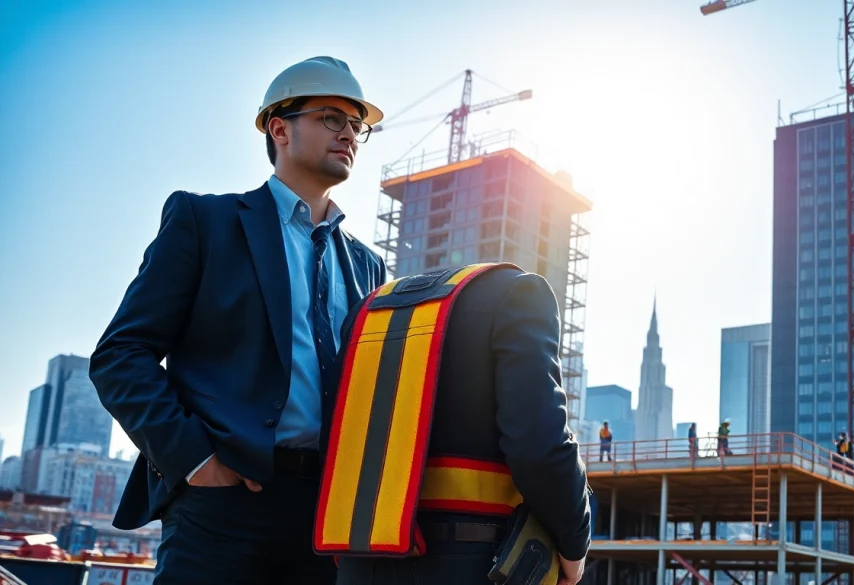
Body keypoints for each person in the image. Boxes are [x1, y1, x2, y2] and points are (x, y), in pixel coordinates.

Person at [88, 56, 388, 585]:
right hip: (221, 508)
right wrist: (198, 462)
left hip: (325, 518)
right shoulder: (206, 222)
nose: (350, 136)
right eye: (332, 118)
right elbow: (120, 356)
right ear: (280, 128)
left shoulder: (368, 265)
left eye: (357, 125)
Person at [315, 263, 592, 585]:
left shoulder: (367, 308)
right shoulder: (522, 293)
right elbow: (538, 445)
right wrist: (574, 544)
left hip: (359, 562)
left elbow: (333, 444)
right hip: (475, 559)